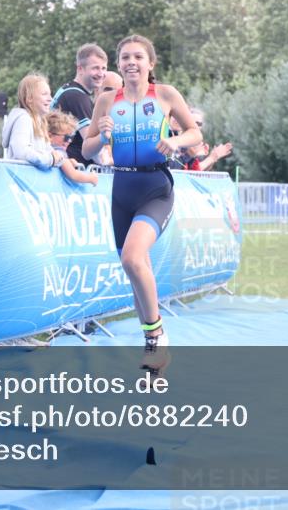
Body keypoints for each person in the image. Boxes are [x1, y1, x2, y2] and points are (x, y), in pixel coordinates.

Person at [82, 35, 201, 374]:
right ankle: (154, 349)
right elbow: (87, 149)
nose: (131, 62)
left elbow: (196, 135)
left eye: (138, 57)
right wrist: (102, 136)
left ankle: (156, 340)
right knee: (135, 270)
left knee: (133, 257)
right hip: (122, 189)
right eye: (125, 57)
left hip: (155, 187)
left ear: (151, 63)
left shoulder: (165, 94)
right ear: (118, 65)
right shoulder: (106, 101)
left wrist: (175, 140)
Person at [51, 43, 108, 165]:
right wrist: (113, 162)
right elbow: (93, 147)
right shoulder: (77, 97)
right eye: (95, 68)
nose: (101, 74)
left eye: (104, 68)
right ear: (80, 69)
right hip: (73, 174)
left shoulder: (68, 90)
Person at [1, 74, 65, 168]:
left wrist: (61, 159)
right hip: (21, 177)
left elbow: (48, 151)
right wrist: (50, 160)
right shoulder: (23, 119)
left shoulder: (39, 122)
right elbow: (21, 152)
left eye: (50, 94)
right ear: (29, 98)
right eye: (44, 94)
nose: (50, 99)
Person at [46, 111, 99, 186]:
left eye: (71, 137)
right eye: (66, 137)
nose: (70, 141)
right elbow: (73, 175)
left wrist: (68, 161)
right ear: (50, 136)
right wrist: (91, 178)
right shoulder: (57, 152)